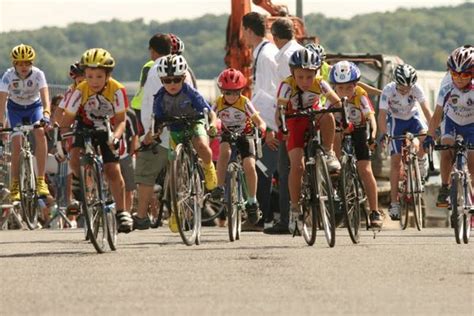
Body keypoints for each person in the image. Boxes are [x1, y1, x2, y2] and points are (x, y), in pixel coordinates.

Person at [60, 48, 133, 233]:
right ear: (84, 75)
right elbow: (66, 123)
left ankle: (122, 211)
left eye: (99, 76)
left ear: (108, 75)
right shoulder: (79, 90)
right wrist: (62, 143)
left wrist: (115, 138)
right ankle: (79, 180)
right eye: (90, 76)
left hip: (108, 126)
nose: (94, 81)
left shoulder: (117, 90)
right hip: (84, 125)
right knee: (74, 157)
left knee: (112, 169)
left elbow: (121, 121)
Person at [276, 48, 341, 233]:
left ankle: (328, 153)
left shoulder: (320, 83)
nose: (305, 81)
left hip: (314, 115)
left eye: (309, 76)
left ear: (316, 73)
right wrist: (282, 126)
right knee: (297, 167)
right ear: (293, 74)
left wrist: (342, 114)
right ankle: (295, 208)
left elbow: (335, 102)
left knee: (328, 115)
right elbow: (279, 110)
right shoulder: (286, 85)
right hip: (293, 121)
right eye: (301, 76)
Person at [152, 54, 218, 193]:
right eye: (167, 80)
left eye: (176, 80)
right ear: (161, 80)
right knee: (172, 168)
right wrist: (155, 133)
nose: (172, 84)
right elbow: (156, 121)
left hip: (194, 123)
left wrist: (212, 124)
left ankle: (209, 168)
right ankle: (174, 210)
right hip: (175, 128)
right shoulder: (159, 97)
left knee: (201, 145)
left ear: (183, 78)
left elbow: (211, 113)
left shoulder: (190, 92)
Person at [329, 61, 383, 227]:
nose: (344, 93)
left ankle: (374, 211)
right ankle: (336, 169)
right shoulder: (331, 97)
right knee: (336, 134)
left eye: (348, 88)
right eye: (340, 88)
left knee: (365, 170)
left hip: (359, 129)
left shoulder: (360, 94)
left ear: (355, 85)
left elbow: (371, 119)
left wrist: (372, 136)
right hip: (340, 130)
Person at [211, 68, 266, 224]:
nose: (231, 96)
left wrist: (261, 126)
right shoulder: (219, 102)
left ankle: (252, 201)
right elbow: (213, 116)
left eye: (235, 92)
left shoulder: (244, 102)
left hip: (245, 134)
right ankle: (220, 186)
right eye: (227, 93)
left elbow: (256, 117)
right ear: (222, 91)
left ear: (241, 91)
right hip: (227, 134)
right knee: (224, 152)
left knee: (249, 165)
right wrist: (212, 126)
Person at [378, 64, 432, 220]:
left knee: (424, 137)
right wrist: (384, 133)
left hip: (413, 118)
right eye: (402, 88)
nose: (405, 90)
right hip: (395, 121)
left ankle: (420, 161)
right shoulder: (388, 90)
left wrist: (433, 130)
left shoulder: (417, 89)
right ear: (395, 82)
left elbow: (427, 111)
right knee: (395, 162)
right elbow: (382, 115)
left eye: (408, 88)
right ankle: (394, 203)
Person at [264, 17, 303, 234]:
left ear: (275, 38)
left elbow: (286, 92)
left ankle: (288, 219)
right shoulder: (299, 51)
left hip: (291, 117)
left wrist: (274, 124)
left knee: (286, 169)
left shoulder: (286, 57)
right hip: (307, 113)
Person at [242, 12, 279, 229]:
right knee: (265, 169)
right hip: (267, 121)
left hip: (269, 124)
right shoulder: (265, 52)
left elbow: (271, 93)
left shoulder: (265, 56)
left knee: (262, 169)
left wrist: (271, 128)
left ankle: (262, 218)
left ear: (248, 30)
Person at [0, 44, 51, 201]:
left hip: (34, 107)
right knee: (16, 142)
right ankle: (15, 184)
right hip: (15, 109)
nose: (24, 66)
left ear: (32, 63)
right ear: (14, 64)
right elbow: (1, 102)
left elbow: (45, 97)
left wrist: (47, 114)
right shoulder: (8, 76)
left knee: (40, 133)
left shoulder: (37, 74)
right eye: (20, 63)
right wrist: (1, 123)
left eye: (27, 63)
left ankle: (41, 180)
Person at [424, 45, 473, 208]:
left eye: (465, 74)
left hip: (472, 124)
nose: (459, 78)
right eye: (454, 74)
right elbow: (437, 114)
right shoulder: (446, 86)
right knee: (446, 152)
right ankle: (445, 188)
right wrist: (429, 136)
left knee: (473, 160)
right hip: (451, 121)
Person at [133, 33, 172, 230]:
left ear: (152, 51)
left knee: (146, 171)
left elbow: (148, 101)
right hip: (182, 125)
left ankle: (141, 216)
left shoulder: (153, 68)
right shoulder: (184, 66)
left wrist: (149, 132)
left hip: (159, 128)